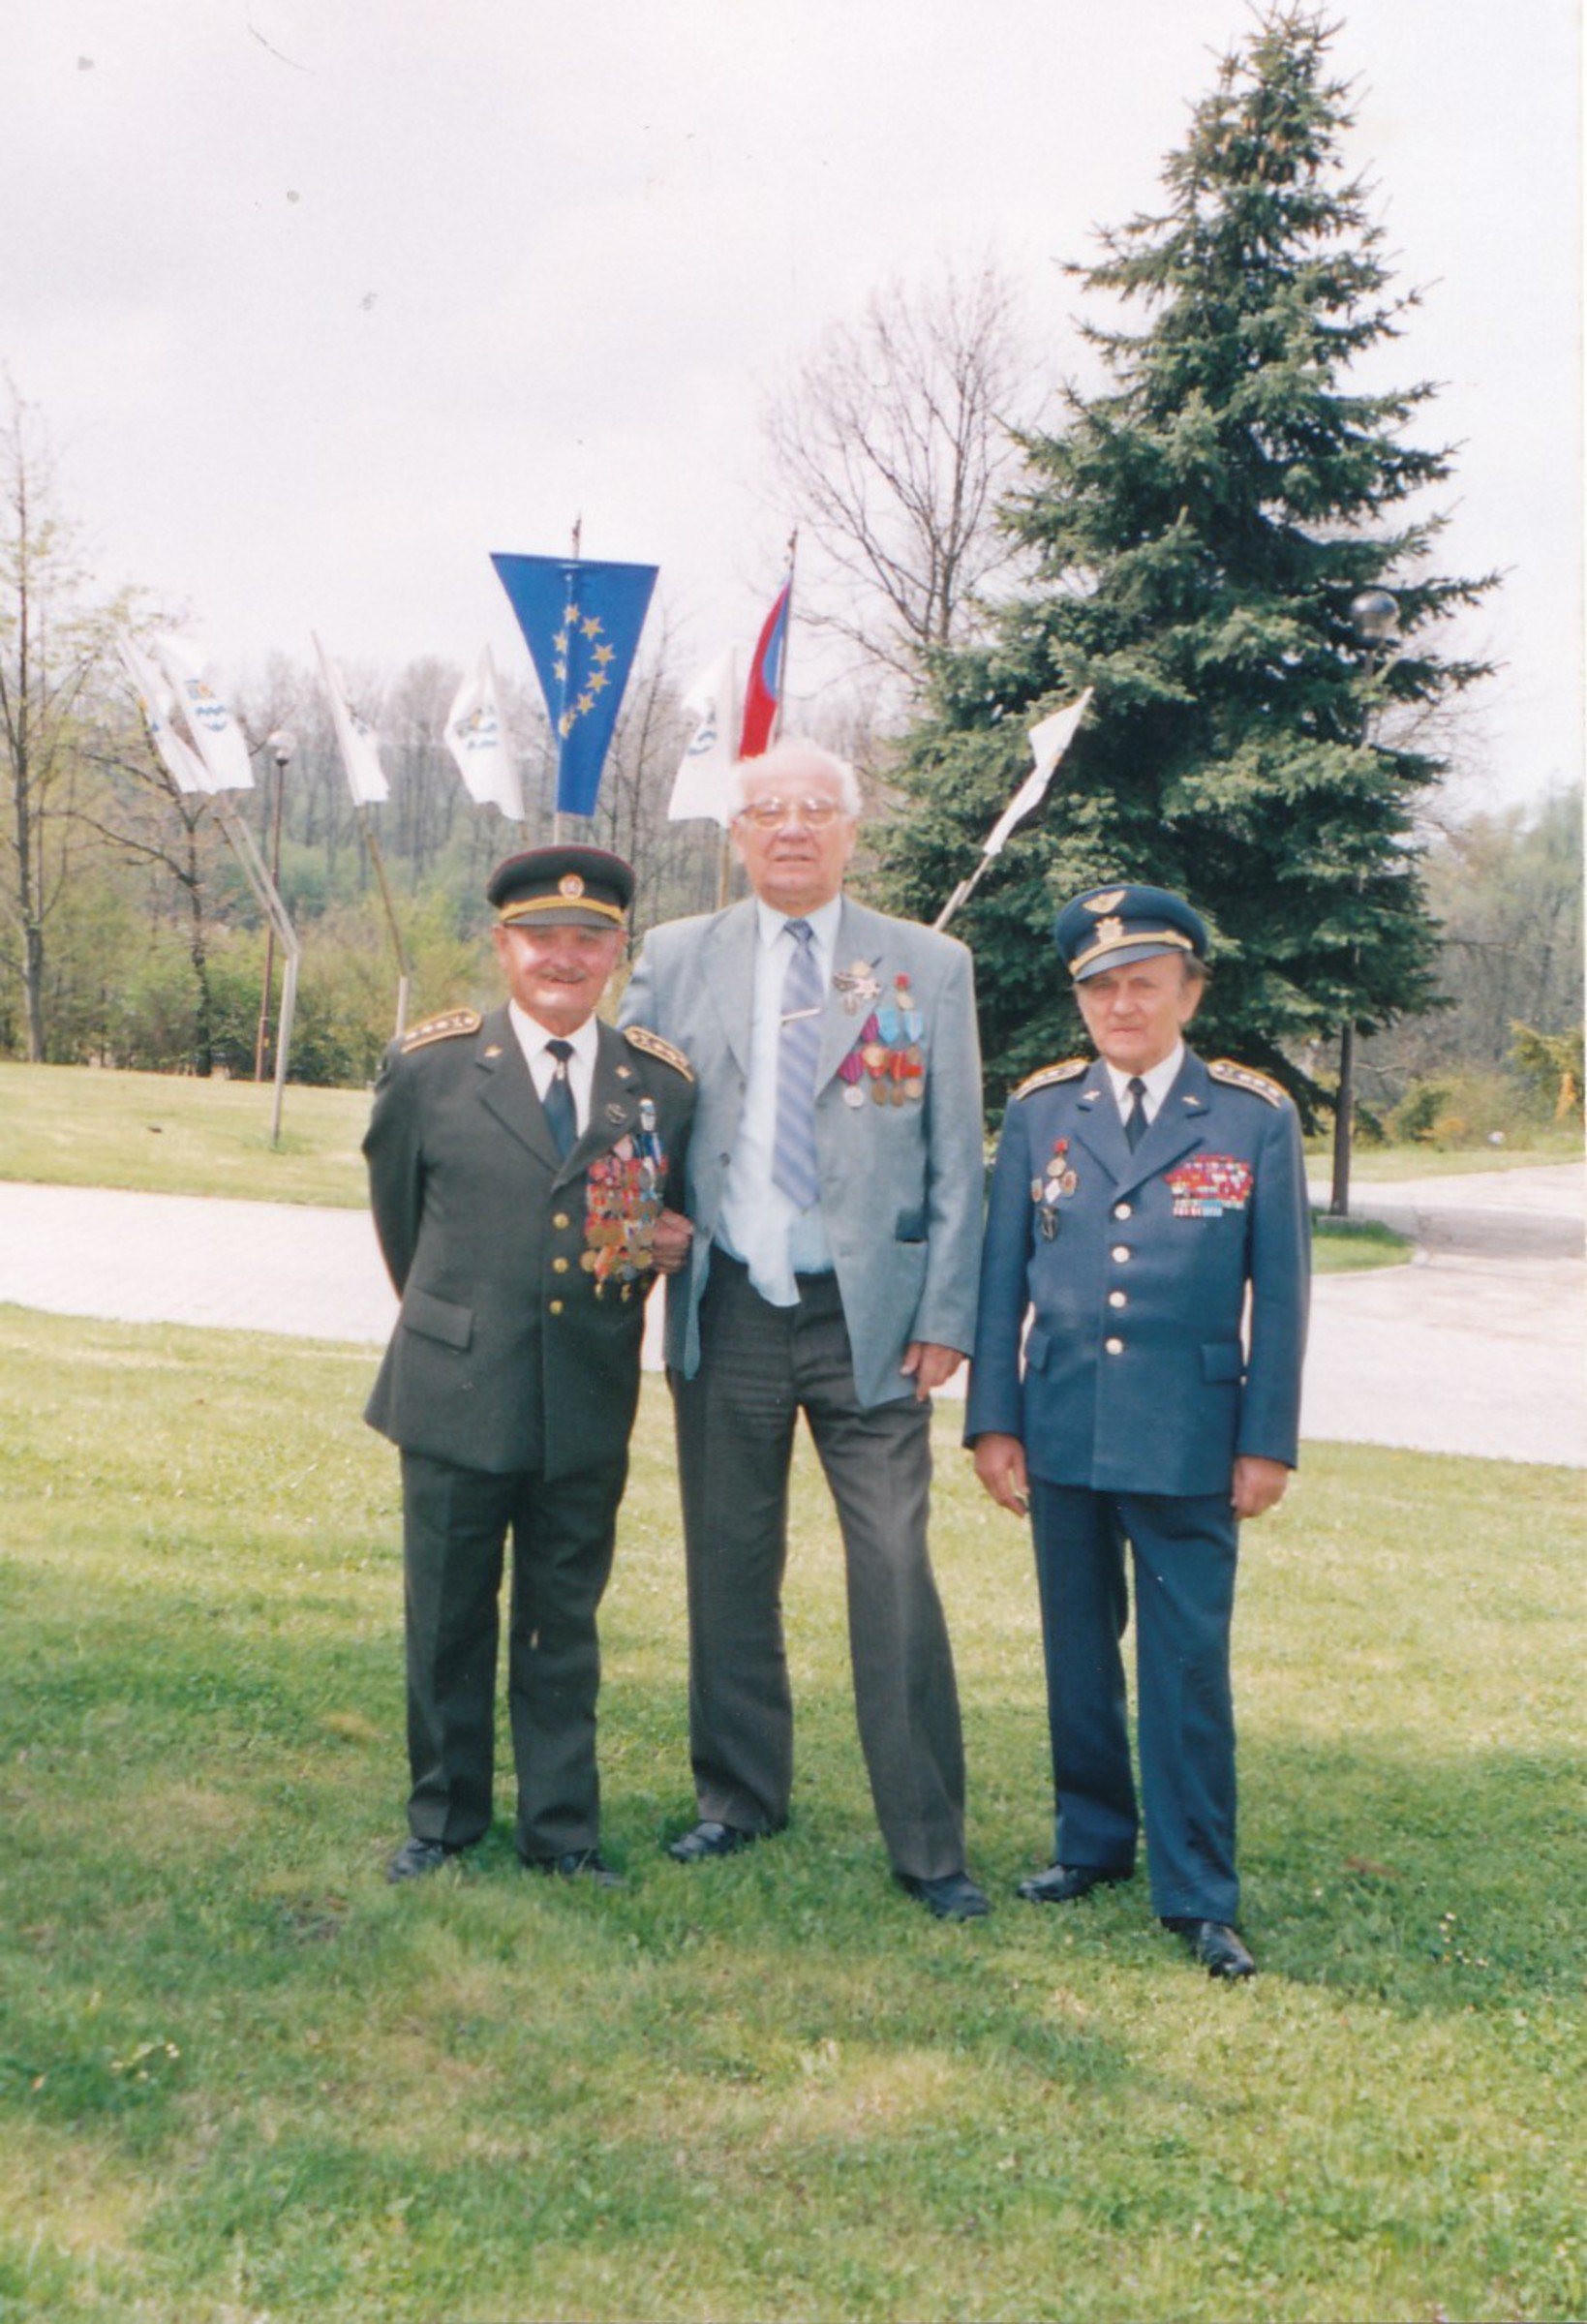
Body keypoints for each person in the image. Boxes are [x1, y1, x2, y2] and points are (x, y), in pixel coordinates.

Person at [619, 738, 988, 1919]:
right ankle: (738, 1797)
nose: (791, 827)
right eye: (767, 810)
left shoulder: (922, 966)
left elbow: (953, 1156)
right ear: (735, 834)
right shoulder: (677, 956)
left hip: (868, 1321)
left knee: (891, 1569)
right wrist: (639, 1220)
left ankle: (928, 1843)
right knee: (729, 1562)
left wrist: (945, 1314)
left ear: (849, 830)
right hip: (725, 1307)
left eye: (815, 809)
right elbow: (626, 1118)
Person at [964, 883, 1309, 1977]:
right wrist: (993, 1422)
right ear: (1081, 999)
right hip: (1061, 1421)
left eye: (1144, 985)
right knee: (1076, 1653)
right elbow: (1000, 1280)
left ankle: (1198, 1889)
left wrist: (1266, 1441)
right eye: (1100, 988)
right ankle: (1092, 1843)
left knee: (1186, 1664)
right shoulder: (1040, 1113)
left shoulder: (1251, 1116)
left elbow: (1282, 1296)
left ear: (1188, 993)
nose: (1121, 1006)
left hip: (1189, 1434)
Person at [363, 844, 695, 1886]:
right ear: (502, 946)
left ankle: (561, 1831)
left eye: (587, 939)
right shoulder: (430, 1067)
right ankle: (443, 1820)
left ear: (617, 952)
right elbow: (401, 1227)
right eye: (540, 936)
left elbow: (649, 1228)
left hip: (584, 1393)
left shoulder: (660, 1083)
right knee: (447, 1617)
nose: (564, 956)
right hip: (456, 1386)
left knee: (564, 1623)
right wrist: (459, 1322)